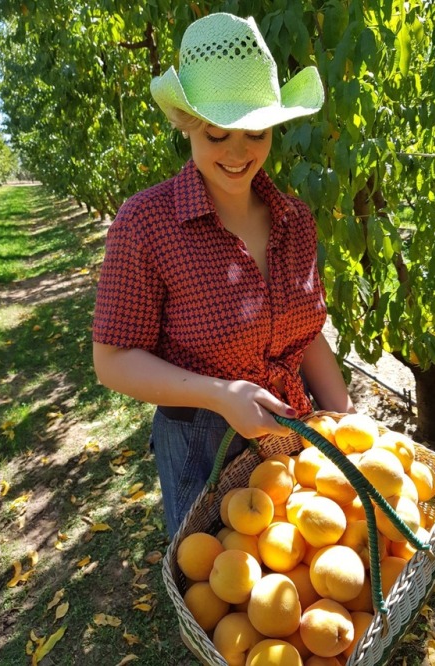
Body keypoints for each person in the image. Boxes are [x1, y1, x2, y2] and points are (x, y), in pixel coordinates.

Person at [92, 12, 355, 537]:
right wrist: (219, 394)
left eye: (256, 132)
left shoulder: (296, 218)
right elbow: (113, 360)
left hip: (293, 433)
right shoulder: (147, 222)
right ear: (187, 126)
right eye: (216, 134)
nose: (238, 152)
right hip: (201, 445)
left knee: (295, 581)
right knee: (219, 596)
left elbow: (307, 336)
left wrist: (347, 421)